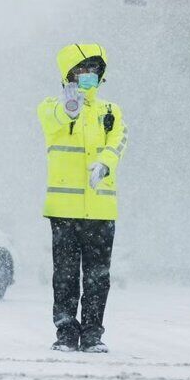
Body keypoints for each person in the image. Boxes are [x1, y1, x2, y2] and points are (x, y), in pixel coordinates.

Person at [37, 44, 128, 353]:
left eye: (94, 71)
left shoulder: (110, 112)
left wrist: (105, 163)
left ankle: (92, 333)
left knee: (98, 277)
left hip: (100, 210)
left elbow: (119, 140)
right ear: (68, 76)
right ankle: (65, 331)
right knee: (64, 275)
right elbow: (54, 119)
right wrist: (69, 107)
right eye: (81, 71)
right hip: (64, 210)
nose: (88, 77)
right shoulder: (50, 107)